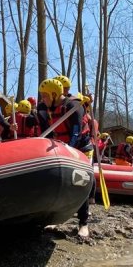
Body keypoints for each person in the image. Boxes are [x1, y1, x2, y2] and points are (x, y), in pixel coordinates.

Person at [37, 77, 94, 237]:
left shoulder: (73, 106)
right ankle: (57, 218)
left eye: (45, 96)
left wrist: (69, 149)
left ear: (54, 94)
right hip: (60, 145)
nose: (43, 99)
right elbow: (44, 131)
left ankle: (83, 223)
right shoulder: (42, 107)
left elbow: (76, 130)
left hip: (80, 146)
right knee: (58, 183)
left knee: (80, 181)